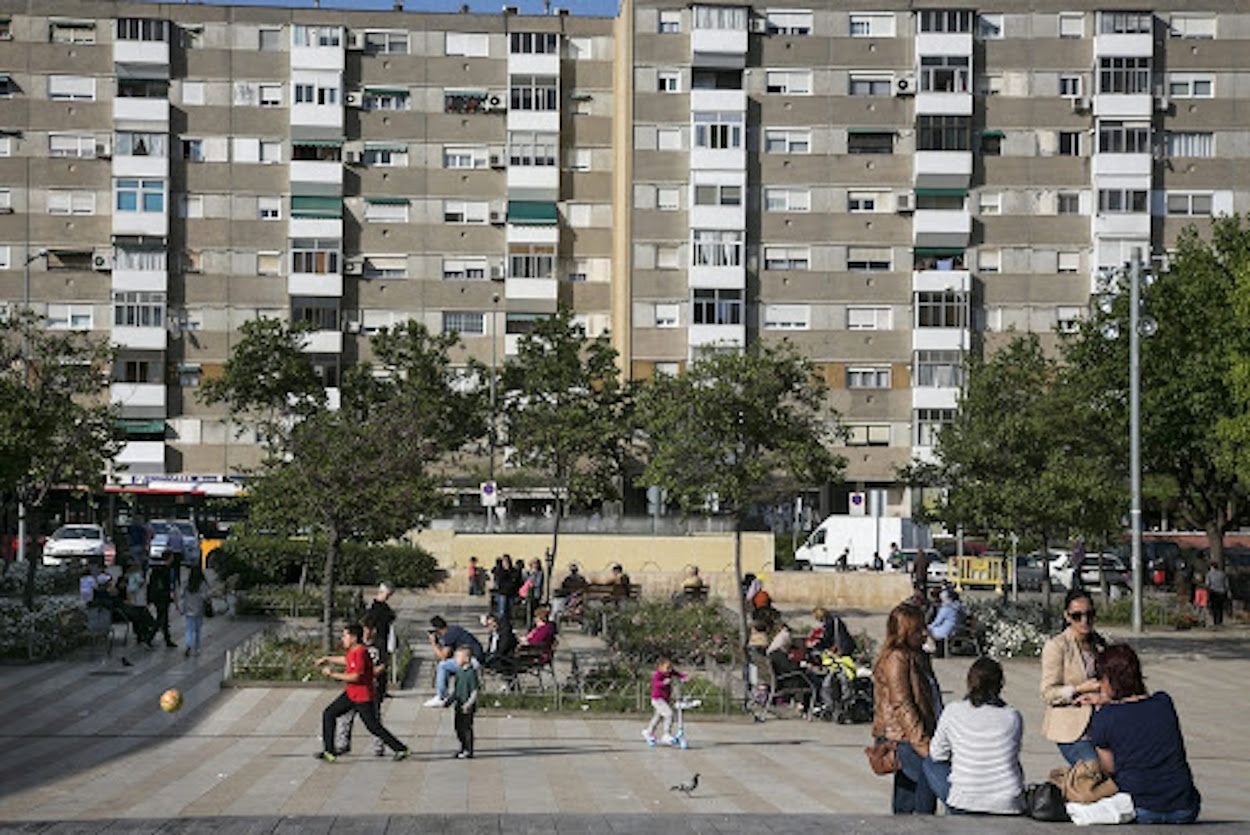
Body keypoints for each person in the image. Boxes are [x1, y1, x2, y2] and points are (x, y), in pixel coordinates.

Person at [1088, 645, 1201, 824]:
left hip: (1142, 807)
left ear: (1109, 680)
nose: (1099, 684)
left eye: (1100, 678)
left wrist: (1106, 702)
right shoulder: (1164, 703)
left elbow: (1110, 767)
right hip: (1185, 807)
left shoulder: (1104, 717)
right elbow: (1141, 700)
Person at [922, 657, 1025, 816]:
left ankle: (922, 816)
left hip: (964, 801)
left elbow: (937, 754)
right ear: (1000, 684)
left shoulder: (953, 711)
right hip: (1007, 802)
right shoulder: (1013, 716)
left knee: (929, 762)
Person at [872, 603, 942, 815]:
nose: (924, 633)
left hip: (915, 733)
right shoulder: (897, 658)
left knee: (908, 794)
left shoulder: (917, 655)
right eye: (917, 630)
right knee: (925, 783)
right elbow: (902, 703)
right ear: (904, 632)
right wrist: (921, 742)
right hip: (903, 736)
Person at [316, 623, 408, 762]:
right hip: (351, 694)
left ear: (353, 637)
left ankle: (401, 749)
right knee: (329, 713)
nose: (342, 639)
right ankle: (329, 751)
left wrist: (332, 674)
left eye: (345, 635)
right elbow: (346, 661)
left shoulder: (360, 652)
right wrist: (327, 658)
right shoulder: (354, 651)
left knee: (373, 726)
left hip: (362, 696)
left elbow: (355, 677)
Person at [1040, 588, 1107, 765]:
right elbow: (1048, 693)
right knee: (1094, 771)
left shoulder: (1100, 645)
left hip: (1101, 725)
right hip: (1071, 729)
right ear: (1067, 616)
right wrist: (1079, 689)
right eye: (1077, 616)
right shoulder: (1057, 646)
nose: (1084, 621)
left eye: (1089, 614)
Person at [335, 618, 388, 757]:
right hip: (355, 688)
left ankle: (379, 745)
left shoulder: (379, 645)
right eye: (364, 629)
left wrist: (371, 674)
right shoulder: (357, 646)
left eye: (369, 629)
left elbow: (383, 665)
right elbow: (348, 660)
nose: (366, 633)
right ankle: (342, 743)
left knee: (373, 719)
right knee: (345, 716)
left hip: (370, 687)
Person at [423, 616, 485, 707]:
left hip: (473, 660)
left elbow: (443, 656)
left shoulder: (449, 635)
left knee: (442, 666)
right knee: (446, 666)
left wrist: (434, 643)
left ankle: (441, 697)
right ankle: (444, 694)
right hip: (475, 657)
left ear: (437, 630)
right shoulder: (454, 629)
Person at [446, 645, 480, 758]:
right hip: (458, 705)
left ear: (466, 658)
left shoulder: (471, 673)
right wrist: (450, 700)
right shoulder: (459, 672)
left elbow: (474, 691)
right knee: (458, 727)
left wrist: (468, 704)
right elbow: (457, 689)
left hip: (467, 706)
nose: (455, 660)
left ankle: (469, 750)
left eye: (457, 657)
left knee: (466, 728)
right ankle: (463, 747)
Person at [643, 657, 686, 746]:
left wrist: (683, 677)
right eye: (667, 668)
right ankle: (666, 734)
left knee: (658, 716)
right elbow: (655, 683)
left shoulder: (670, 672)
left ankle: (649, 731)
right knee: (669, 714)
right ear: (660, 667)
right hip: (657, 699)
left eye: (670, 667)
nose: (669, 670)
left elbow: (677, 673)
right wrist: (663, 683)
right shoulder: (658, 675)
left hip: (665, 699)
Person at [146, 551, 177, 648]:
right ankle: (149, 638)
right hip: (164, 596)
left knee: (164, 617)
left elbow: (150, 583)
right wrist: (172, 595)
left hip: (156, 596)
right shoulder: (168, 570)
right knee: (161, 617)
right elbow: (171, 584)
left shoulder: (155, 569)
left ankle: (167, 639)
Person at [179, 565, 207, 658]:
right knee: (198, 630)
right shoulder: (202, 584)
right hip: (198, 609)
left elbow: (182, 596)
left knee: (189, 629)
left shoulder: (186, 584)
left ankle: (188, 644)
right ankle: (197, 649)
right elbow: (205, 596)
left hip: (188, 609)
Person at [1205, 561, 1229, 627]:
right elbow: (1226, 584)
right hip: (1221, 592)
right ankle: (1220, 621)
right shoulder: (1223, 574)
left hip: (1213, 593)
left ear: (1212, 567)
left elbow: (1207, 584)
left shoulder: (1209, 574)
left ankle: (1215, 621)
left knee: (1214, 607)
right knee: (1220, 607)